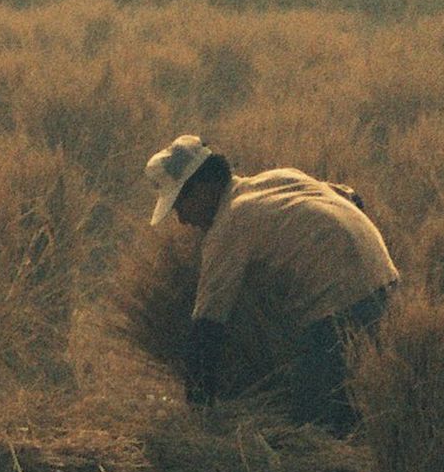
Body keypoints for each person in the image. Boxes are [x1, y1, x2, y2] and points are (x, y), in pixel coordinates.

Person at [144, 134, 399, 432]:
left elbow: (207, 328)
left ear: (201, 189)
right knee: (361, 406)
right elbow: (353, 198)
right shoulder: (280, 177)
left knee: (313, 428)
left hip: (341, 305)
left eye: (179, 206)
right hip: (386, 282)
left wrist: (199, 412)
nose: (182, 220)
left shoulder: (229, 225)